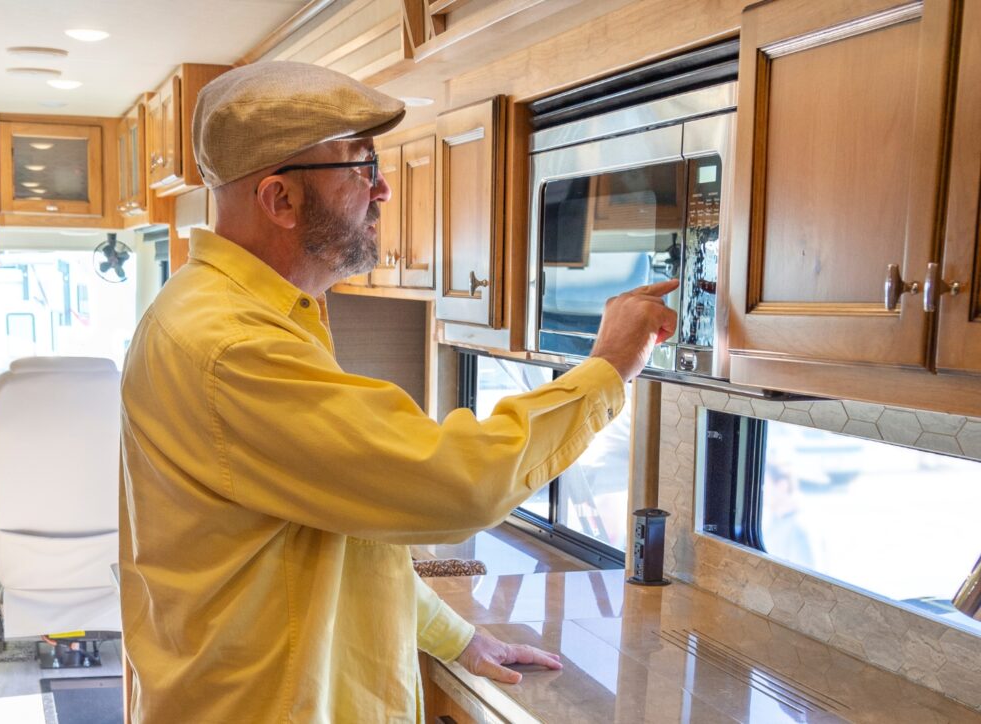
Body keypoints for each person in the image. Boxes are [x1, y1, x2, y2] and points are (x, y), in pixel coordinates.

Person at [119, 61, 678, 724]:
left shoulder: (256, 314)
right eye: (359, 165)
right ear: (280, 199)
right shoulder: (232, 345)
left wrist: (460, 638)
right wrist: (607, 370)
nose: (384, 187)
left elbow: (339, 543)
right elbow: (453, 482)